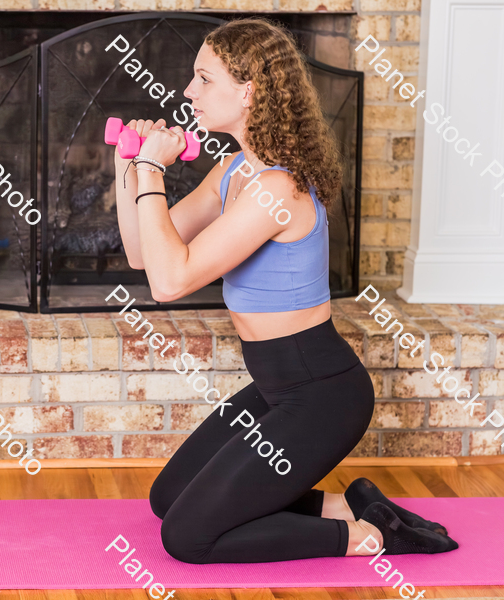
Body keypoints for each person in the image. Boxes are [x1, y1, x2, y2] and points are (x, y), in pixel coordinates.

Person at [114, 18, 459, 564]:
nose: (187, 92)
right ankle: (355, 507)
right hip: (276, 388)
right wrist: (127, 167)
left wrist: (153, 167)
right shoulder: (232, 171)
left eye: (203, 79)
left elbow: (170, 281)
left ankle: (371, 538)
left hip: (322, 396)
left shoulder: (277, 189)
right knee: (167, 498)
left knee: (187, 538)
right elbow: (143, 255)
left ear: (248, 90)